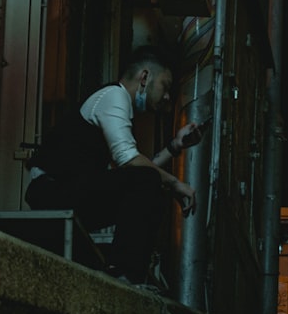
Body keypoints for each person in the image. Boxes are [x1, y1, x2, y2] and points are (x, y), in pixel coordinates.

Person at [24, 46, 204, 284]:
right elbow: (131, 163)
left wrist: (175, 146)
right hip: (50, 191)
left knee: (148, 184)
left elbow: (134, 169)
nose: (167, 97)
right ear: (145, 77)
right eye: (165, 86)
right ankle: (123, 273)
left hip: (64, 190)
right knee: (149, 183)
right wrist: (175, 183)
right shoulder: (114, 97)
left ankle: (127, 272)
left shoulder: (119, 108)